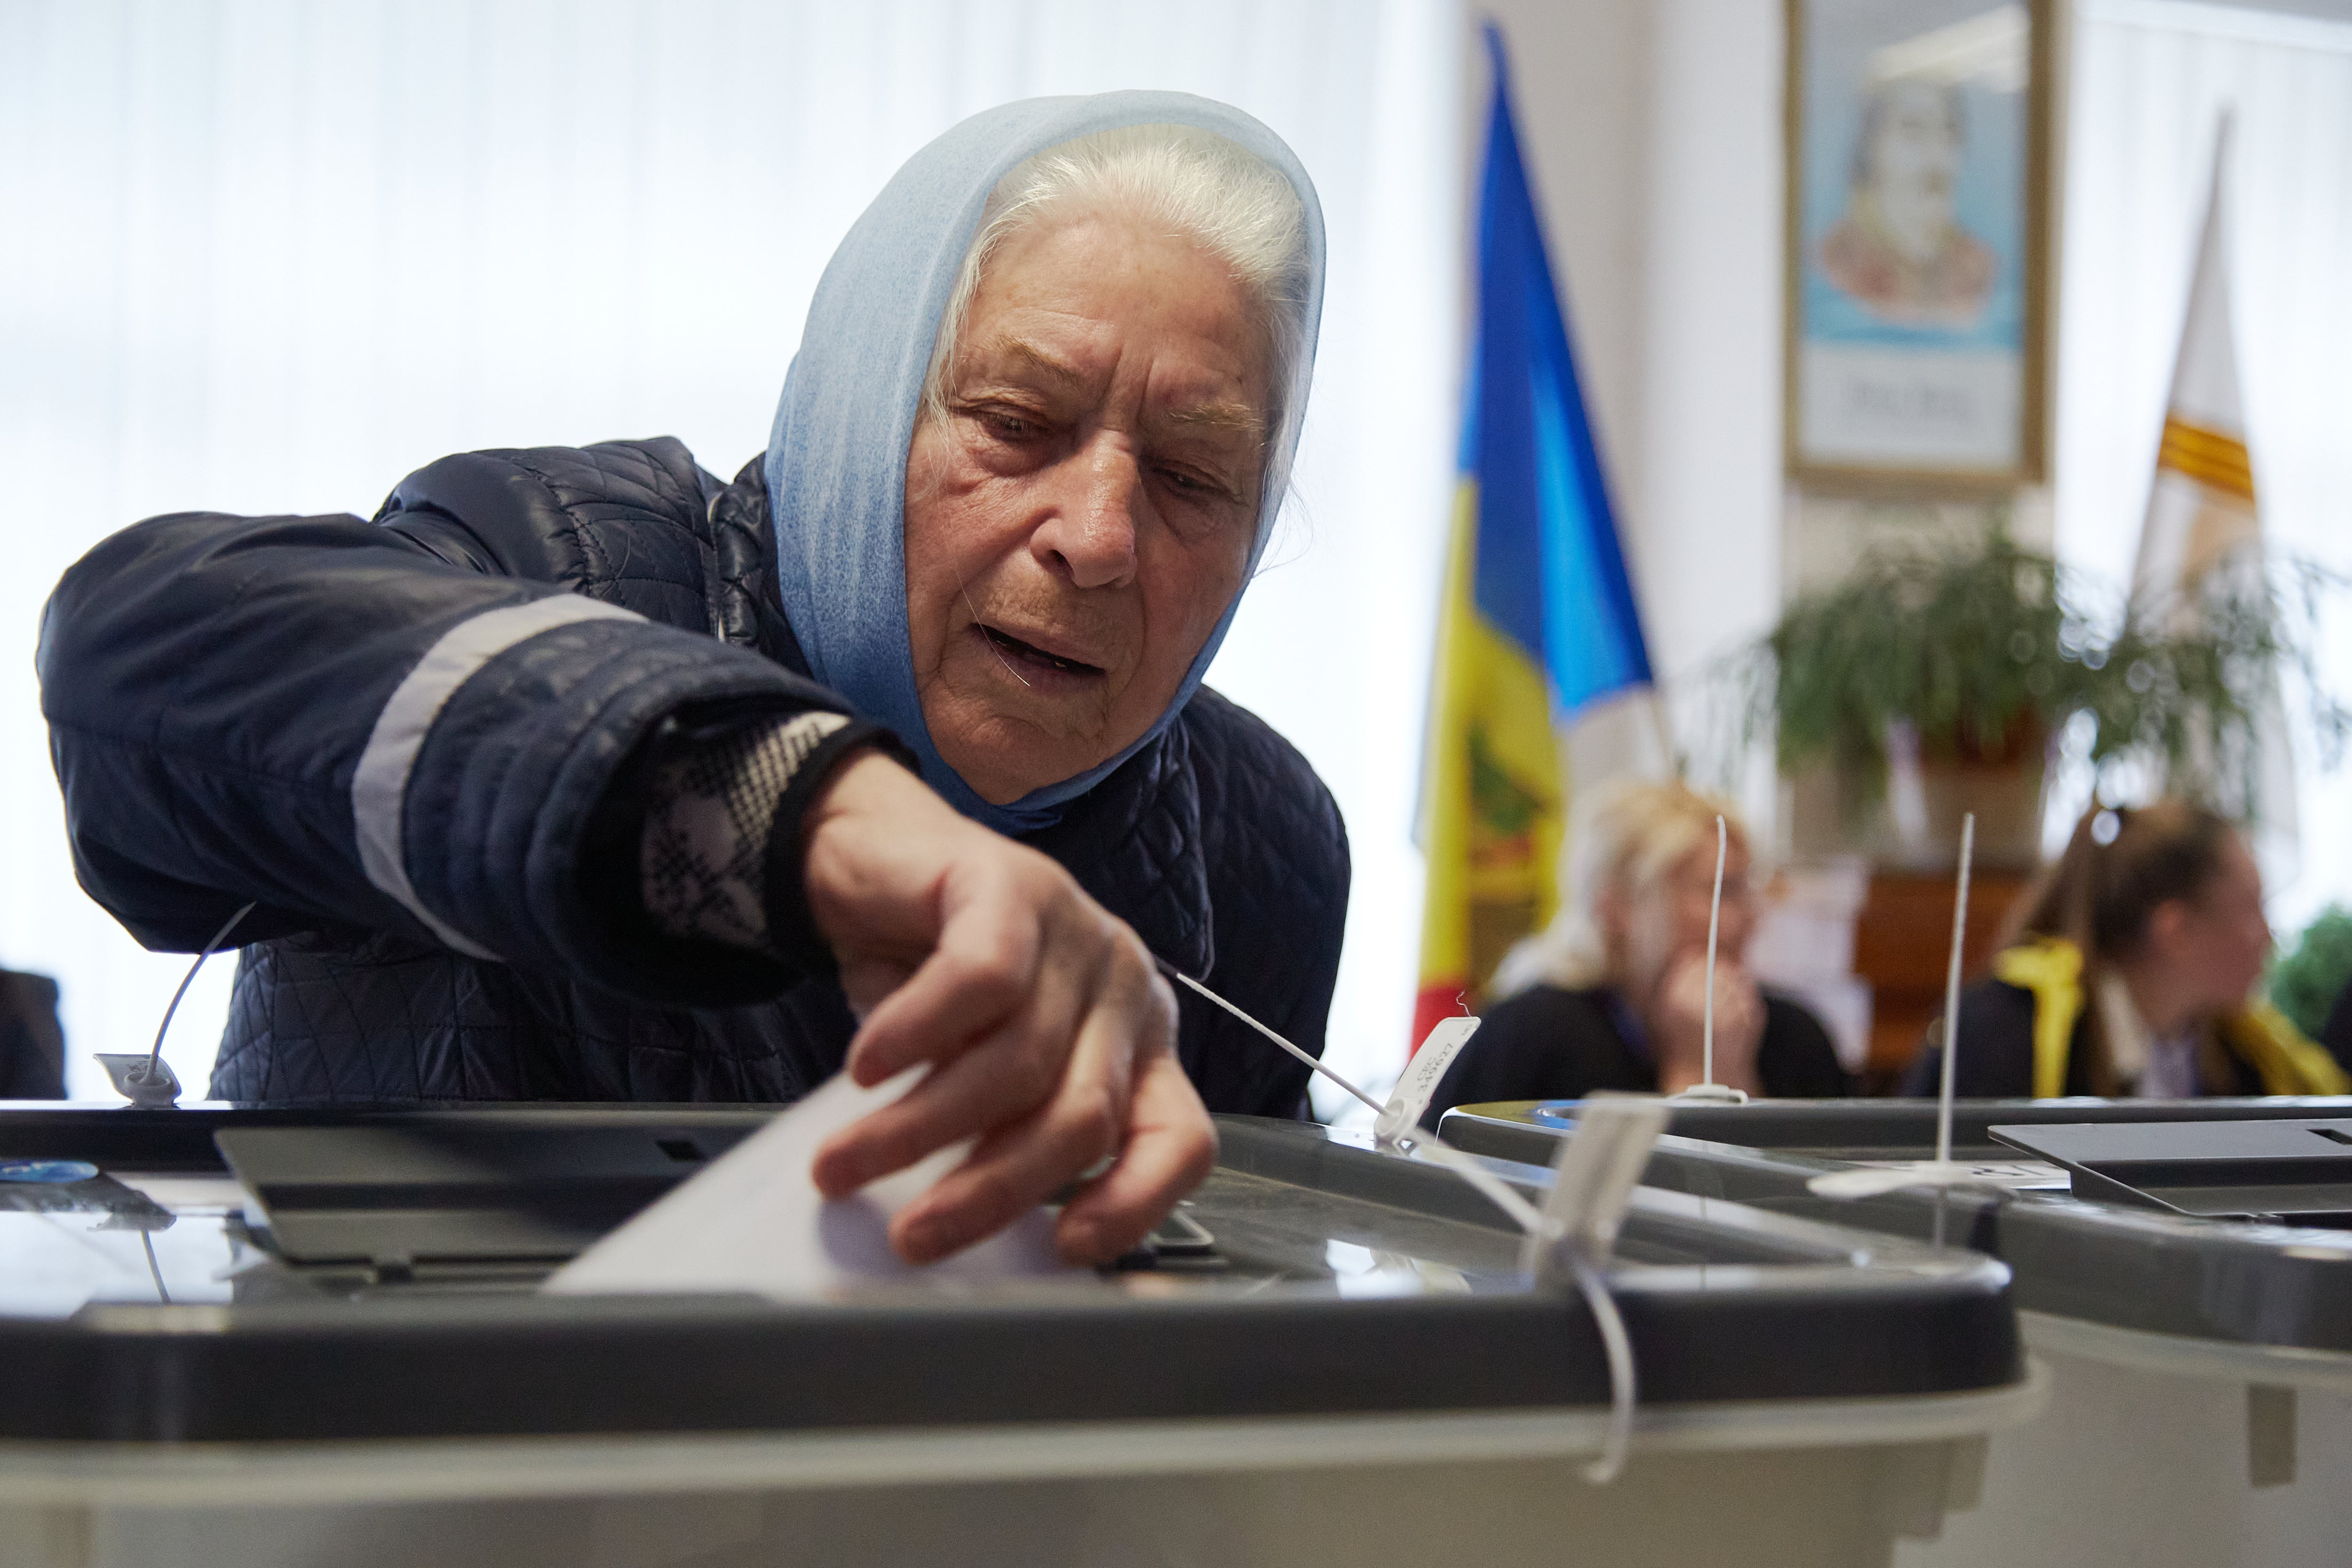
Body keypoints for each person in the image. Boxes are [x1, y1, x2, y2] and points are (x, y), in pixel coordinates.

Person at [37, 95, 1350, 1267]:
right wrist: (790, 803)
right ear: (859, 404)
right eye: (1015, 423)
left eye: (1192, 477)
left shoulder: (1266, 838)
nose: (1103, 537)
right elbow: (129, 650)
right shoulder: (544, 559)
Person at [1423, 781, 1848, 1122]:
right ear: (1619, 906)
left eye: (1747, 890)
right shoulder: (1533, 1035)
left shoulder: (1794, 1038)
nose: (1751, 919)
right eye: (1723, 891)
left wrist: (1734, 1071)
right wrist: (1694, 1075)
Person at [1902, 800, 2349, 1099]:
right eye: (2253, 913)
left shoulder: (2244, 1054)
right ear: (2178, 933)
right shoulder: (2006, 1033)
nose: (2269, 938)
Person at [1818, 76, 1995, 330]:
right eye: (1914, 132)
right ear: (1871, 148)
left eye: (1949, 132)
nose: (1937, 156)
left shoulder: (1975, 265)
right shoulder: (1837, 260)